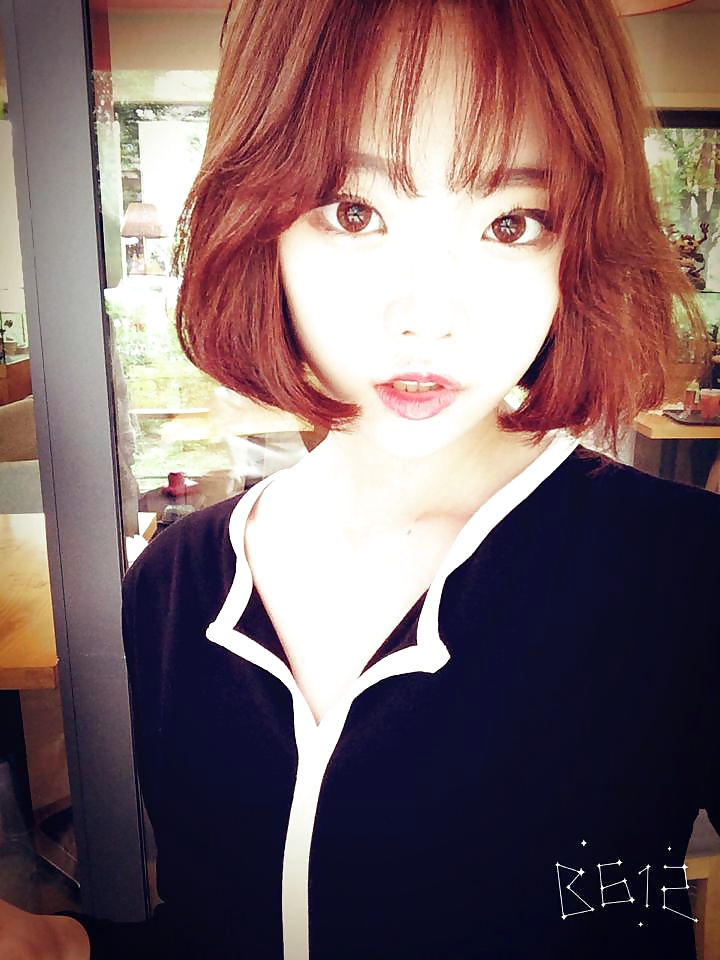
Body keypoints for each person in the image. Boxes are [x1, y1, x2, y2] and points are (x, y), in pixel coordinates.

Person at [2, 0, 719, 957]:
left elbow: (619, 908)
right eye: (355, 213)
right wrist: (65, 949)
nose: (426, 316)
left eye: (511, 223)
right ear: (261, 223)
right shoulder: (175, 590)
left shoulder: (680, 576)